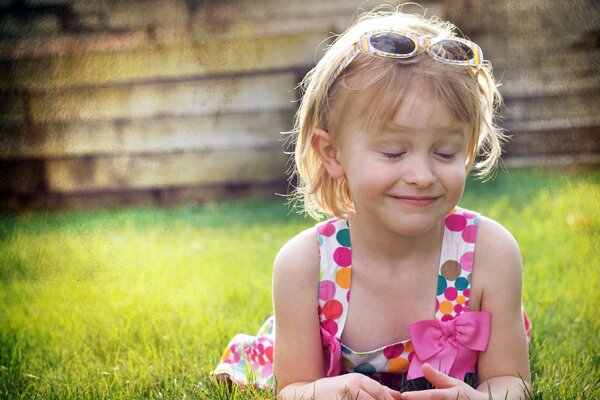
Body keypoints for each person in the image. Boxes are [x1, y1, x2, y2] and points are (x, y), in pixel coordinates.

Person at [214, 6, 532, 399]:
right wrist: (328, 390)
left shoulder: (491, 253)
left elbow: (512, 380)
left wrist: (483, 397)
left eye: (447, 152)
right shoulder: (306, 266)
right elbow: (293, 389)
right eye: (394, 152)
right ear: (332, 154)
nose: (422, 175)